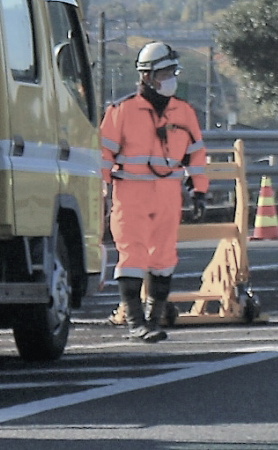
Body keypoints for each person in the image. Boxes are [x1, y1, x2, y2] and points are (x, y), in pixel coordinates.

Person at [100, 41, 208, 340]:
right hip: (130, 194)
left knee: (163, 258)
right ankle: (136, 321)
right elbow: (103, 156)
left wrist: (199, 191)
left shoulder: (183, 112)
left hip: (168, 194)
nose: (171, 78)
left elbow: (196, 154)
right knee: (132, 255)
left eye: (173, 71)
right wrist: (102, 192)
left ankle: (154, 318)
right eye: (165, 72)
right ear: (147, 76)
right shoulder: (122, 111)